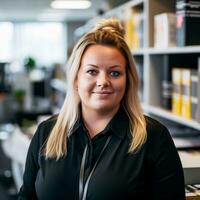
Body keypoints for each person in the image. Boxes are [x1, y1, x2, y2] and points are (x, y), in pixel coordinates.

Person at [18, 18, 185, 200]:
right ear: (76, 79)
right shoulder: (46, 132)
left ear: (127, 80)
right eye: (92, 71)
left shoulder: (153, 137)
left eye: (114, 73)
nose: (103, 81)